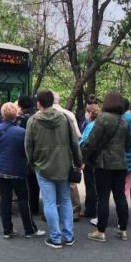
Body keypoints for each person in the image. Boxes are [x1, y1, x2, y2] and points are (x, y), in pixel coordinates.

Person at [25, 89, 83, 249]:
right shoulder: (65, 118)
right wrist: (78, 161)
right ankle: (69, 236)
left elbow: (28, 145)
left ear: (38, 103)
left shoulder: (33, 120)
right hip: (63, 165)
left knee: (49, 202)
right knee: (65, 200)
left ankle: (55, 238)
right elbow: (74, 142)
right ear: (53, 102)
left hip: (43, 167)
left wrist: (32, 162)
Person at [0, 102, 44, 239]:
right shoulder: (21, 132)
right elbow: (27, 151)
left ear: (2, 114)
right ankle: (29, 229)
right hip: (17, 170)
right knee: (23, 198)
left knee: (5, 198)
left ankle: (7, 229)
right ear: (16, 115)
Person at [84, 91, 131, 243]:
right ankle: (123, 230)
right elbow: (129, 145)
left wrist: (83, 156)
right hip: (121, 164)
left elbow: (92, 141)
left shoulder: (103, 118)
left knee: (103, 197)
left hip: (103, 164)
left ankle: (100, 231)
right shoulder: (124, 121)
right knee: (120, 196)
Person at [53, 92, 83, 222]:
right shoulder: (68, 114)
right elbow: (77, 136)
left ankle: (55, 210)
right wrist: (79, 159)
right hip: (68, 154)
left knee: (52, 182)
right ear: (59, 101)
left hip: (49, 155)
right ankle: (75, 210)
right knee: (71, 183)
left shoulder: (40, 115)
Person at [17, 95, 40, 216]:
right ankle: (36, 206)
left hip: (27, 154)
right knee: (37, 183)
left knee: (28, 183)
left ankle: (30, 207)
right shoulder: (39, 116)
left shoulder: (23, 119)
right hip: (41, 153)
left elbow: (20, 137)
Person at [79, 103, 101, 220]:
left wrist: (79, 155)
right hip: (99, 158)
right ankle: (95, 208)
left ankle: (90, 209)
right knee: (97, 184)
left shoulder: (91, 125)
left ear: (91, 113)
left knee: (90, 184)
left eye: (87, 112)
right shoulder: (100, 124)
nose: (86, 114)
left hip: (90, 158)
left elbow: (84, 141)